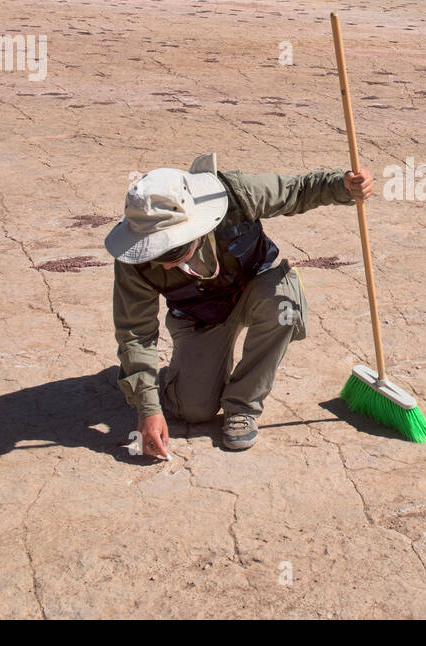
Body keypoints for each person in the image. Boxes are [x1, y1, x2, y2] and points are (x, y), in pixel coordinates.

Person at [104, 153, 373, 455]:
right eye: (155, 254)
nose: (165, 266)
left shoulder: (234, 194)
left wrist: (343, 185)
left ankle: (243, 405)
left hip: (256, 289)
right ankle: (183, 376)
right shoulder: (132, 261)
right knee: (192, 411)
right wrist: (147, 410)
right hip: (200, 317)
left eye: (173, 253)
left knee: (285, 309)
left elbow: (298, 190)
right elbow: (134, 334)